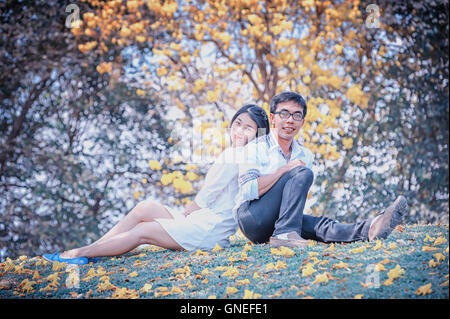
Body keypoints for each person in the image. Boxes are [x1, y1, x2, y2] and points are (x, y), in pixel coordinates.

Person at [42, 104, 270, 265]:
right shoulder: (233, 152)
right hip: (201, 220)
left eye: (248, 128)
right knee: (145, 208)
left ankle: (78, 254)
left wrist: (184, 215)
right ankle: (96, 250)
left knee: (143, 230)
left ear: (258, 134)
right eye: (238, 123)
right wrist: (185, 216)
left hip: (209, 232)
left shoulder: (242, 157)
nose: (239, 130)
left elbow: (207, 196)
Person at [233, 91, 410, 248]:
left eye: (296, 115)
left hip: (279, 221)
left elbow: (292, 202)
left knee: (320, 224)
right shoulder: (255, 148)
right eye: (284, 113)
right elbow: (248, 190)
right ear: (273, 118)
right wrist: (283, 170)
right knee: (302, 173)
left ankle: (371, 228)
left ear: (302, 122)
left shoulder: (305, 154)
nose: (290, 120)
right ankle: (285, 234)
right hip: (251, 218)